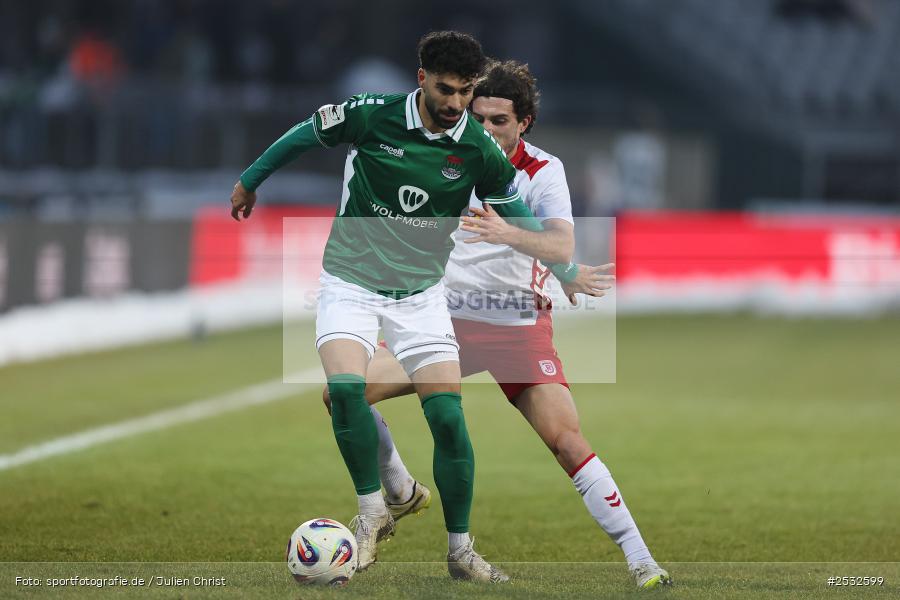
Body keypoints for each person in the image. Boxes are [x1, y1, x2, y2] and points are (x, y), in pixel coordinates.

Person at [230, 32, 587, 582]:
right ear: (421, 78)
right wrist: (250, 182)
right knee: (346, 391)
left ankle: (461, 552)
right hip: (350, 279)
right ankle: (374, 510)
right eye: (445, 90)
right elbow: (304, 134)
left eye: (465, 93)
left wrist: (565, 271)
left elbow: (521, 218)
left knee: (448, 417)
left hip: (421, 295)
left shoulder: (477, 148)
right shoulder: (372, 115)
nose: (455, 104)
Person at [323, 60, 672, 590]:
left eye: (498, 121)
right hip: (445, 321)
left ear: (523, 123)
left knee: (566, 440)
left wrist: (530, 247)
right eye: (478, 117)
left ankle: (641, 559)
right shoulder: (447, 150)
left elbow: (559, 244)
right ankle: (401, 489)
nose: (485, 129)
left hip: (516, 324)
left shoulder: (542, 171)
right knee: (340, 394)